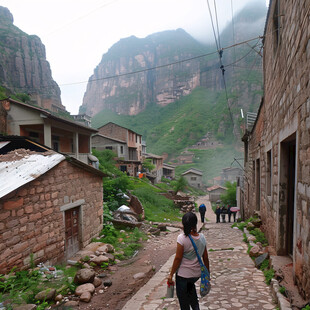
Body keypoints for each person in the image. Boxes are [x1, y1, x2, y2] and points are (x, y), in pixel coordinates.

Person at [167, 212, 210, 310]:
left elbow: (178, 258)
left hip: (183, 275)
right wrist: (208, 273)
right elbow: (206, 258)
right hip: (195, 275)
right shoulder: (202, 237)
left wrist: (171, 274)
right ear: (195, 223)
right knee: (193, 297)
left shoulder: (182, 238)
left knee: (184, 302)